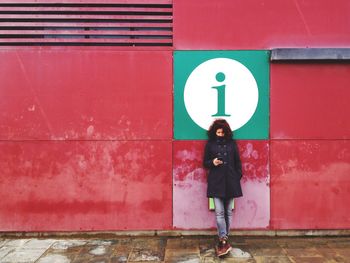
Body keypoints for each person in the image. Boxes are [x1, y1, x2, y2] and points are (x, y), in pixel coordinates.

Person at [203, 119, 243, 257]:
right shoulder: (210, 144)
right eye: (218, 132)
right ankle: (223, 238)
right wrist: (213, 162)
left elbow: (238, 162)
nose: (220, 134)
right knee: (219, 212)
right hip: (216, 182)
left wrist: (237, 176)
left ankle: (224, 239)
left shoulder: (232, 144)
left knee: (228, 212)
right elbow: (205, 162)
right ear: (214, 132)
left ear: (226, 132)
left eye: (222, 132)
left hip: (231, 181)